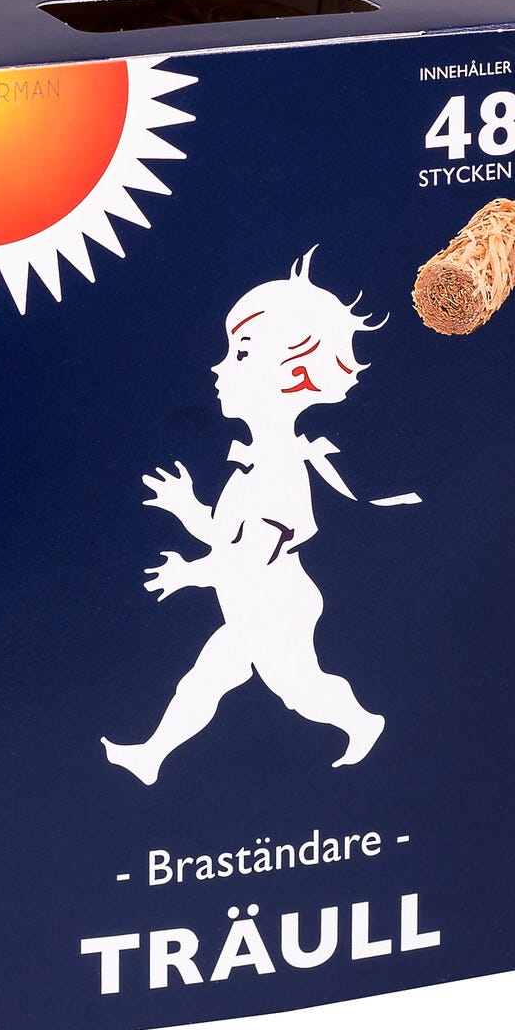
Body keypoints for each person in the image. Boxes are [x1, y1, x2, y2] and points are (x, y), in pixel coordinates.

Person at [102, 247, 419, 785]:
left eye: (242, 354)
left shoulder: (282, 469)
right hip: (252, 604)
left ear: (294, 377)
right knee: (206, 678)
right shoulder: (254, 464)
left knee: (299, 691)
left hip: (280, 608)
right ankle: (150, 757)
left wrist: (190, 573)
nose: (219, 367)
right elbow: (227, 537)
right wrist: (188, 508)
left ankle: (363, 722)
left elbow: (249, 559)